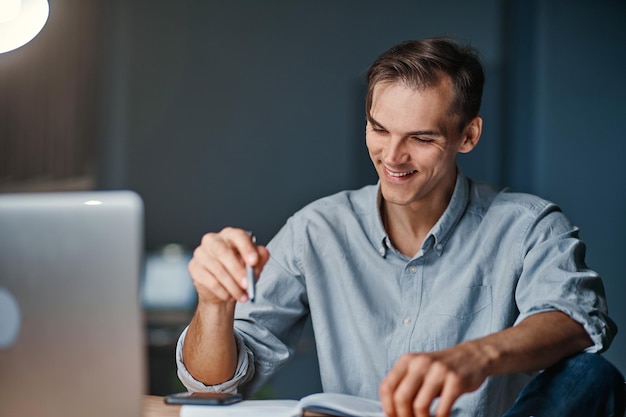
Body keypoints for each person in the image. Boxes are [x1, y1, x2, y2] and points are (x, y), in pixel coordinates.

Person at [175, 37, 624, 417]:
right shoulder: (317, 229)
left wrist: (475, 357)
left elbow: (576, 320)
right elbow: (214, 391)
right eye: (379, 129)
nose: (392, 156)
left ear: (468, 136)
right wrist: (214, 305)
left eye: (421, 138)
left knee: (592, 375)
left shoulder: (529, 226)